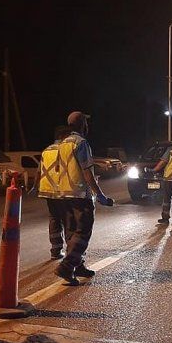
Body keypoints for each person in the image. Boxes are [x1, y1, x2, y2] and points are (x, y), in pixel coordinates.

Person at [37, 111, 114, 285]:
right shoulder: (80, 143)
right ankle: (67, 266)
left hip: (65, 195)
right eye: (86, 123)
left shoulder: (62, 144)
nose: (88, 126)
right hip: (79, 195)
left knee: (72, 232)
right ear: (81, 125)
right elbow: (87, 173)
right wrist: (100, 195)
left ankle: (78, 266)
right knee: (83, 231)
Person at [46, 125, 72, 260]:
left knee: (54, 219)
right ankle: (71, 250)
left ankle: (55, 250)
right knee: (68, 219)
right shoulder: (64, 150)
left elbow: (40, 171)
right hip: (62, 190)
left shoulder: (47, 150)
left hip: (48, 191)